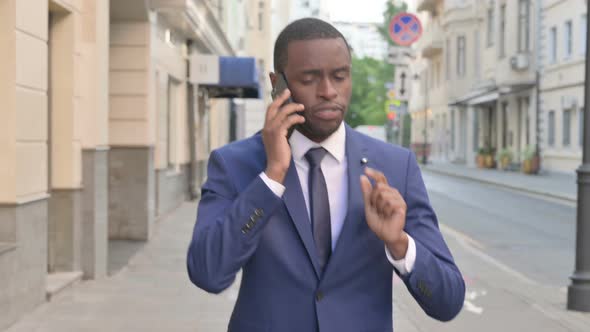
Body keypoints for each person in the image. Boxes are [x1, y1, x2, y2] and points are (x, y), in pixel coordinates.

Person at [187, 18, 465, 332]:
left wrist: (400, 244)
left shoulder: (395, 166)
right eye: (310, 78)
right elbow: (207, 273)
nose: (328, 91)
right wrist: (272, 176)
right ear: (278, 84)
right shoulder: (235, 163)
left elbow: (448, 301)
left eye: (340, 76)